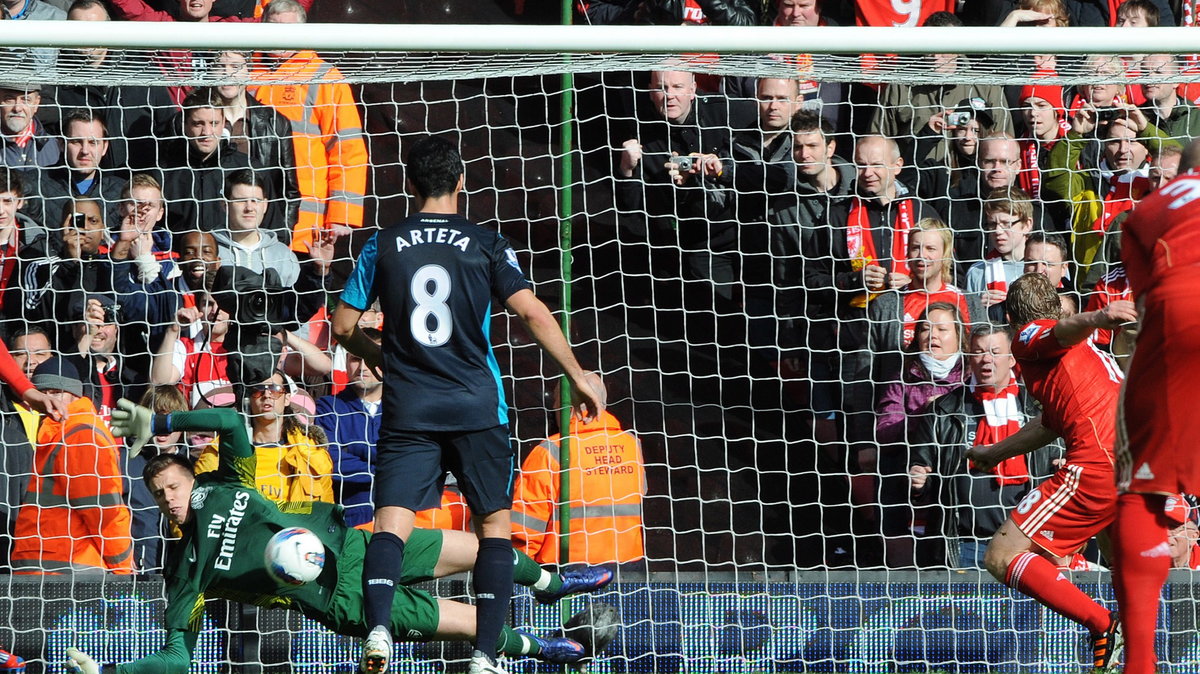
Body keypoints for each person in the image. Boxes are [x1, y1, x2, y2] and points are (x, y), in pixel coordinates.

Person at [62, 399, 615, 674]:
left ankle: (549, 583)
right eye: (159, 495)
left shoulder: (227, 482)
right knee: (470, 623)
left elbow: (232, 425)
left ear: (192, 478)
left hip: (353, 545)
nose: (169, 498)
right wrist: (115, 670)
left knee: (474, 548)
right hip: (339, 599)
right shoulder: (184, 571)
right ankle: (545, 650)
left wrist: (161, 424)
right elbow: (178, 658)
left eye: (174, 485)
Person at [331, 135, 603, 674]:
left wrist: (378, 353)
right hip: (477, 407)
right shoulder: (487, 244)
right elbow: (533, 314)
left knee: (390, 526)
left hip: (409, 408)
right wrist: (576, 372)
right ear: (461, 183)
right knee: (493, 528)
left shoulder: (382, 244)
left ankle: (380, 628)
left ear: (409, 187)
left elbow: (341, 326)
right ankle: (484, 655)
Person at [965, 272, 1136, 672]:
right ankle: (1141, 651)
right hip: (1130, 462)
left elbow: (1055, 331)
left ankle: (1102, 627)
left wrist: (1098, 316)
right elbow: (1050, 423)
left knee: (1002, 555)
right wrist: (995, 452)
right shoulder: (1080, 357)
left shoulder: (1030, 338)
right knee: (1120, 566)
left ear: (1011, 318)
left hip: (1096, 465)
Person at [1110, 153, 1200, 674]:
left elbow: (1145, 310)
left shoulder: (1144, 213)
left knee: (1142, 487)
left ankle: (1140, 663)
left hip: (1179, 313)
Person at [910, 324, 1060, 568]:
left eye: (995, 352)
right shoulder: (945, 410)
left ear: (1012, 358)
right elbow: (922, 476)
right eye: (979, 352)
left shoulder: (1040, 408)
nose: (986, 359)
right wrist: (917, 480)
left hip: (1027, 543)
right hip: (964, 543)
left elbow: (1061, 459)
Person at [248, 0, 368, 253]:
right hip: (246, 219)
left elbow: (348, 149)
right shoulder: (242, 72)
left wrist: (342, 214)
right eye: (273, 27)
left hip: (304, 229)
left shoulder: (324, 78)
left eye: (288, 30)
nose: (279, 37)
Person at [10, 357, 134, 574]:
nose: (48, 400)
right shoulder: (58, 433)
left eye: (56, 392)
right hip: (56, 568)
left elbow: (104, 511)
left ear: (75, 394)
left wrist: (123, 569)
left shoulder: (80, 434)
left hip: (69, 572)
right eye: (42, 393)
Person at [511, 373, 646, 565]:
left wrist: (521, 571)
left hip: (564, 570)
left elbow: (524, 526)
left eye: (556, 402)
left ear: (566, 405)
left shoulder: (551, 450)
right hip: (628, 567)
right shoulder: (632, 446)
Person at [874, 302, 966, 567]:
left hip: (955, 469)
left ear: (960, 335)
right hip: (907, 466)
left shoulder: (970, 372)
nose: (932, 336)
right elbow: (886, 427)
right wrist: (927, 418)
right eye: (925, 329)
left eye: (942, 329)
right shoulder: (903, 374)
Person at [193, 368, 333, 504]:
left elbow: (326, 514)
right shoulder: (219, 451)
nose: (267, 395)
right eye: (259, 390)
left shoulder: (312, 454)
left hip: (296, 526)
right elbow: (198, 505)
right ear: (249, 399)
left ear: (287, 399)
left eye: (275, 390)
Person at [208, 52, 301, 242]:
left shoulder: (275, 123)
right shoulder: (195, 121)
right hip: (210, 235)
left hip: (259, 235)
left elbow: (288, 190)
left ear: (249, 72)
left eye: (235, 67)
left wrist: (282, 238)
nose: (227, 74)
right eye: (220, 67)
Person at [159, 89, 253, 237]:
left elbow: (272, 225)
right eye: (198, 124)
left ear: (223, 124)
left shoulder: (246, 168)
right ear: (184, 125)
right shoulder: (163, 172)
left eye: (214, 123)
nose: (206, 132)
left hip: (232, 257)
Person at [210, 169, 300, 286]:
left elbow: (299, 302)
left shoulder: (284, 255)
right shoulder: (209, 250)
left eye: (255, 200)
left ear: (265, 205)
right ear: (225, 205)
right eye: (241, 200)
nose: (249, 208)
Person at [0, 82, 59, 169]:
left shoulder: (54, 146)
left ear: (36, 104)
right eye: (9, 99)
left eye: (26, 100)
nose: (17, 108)